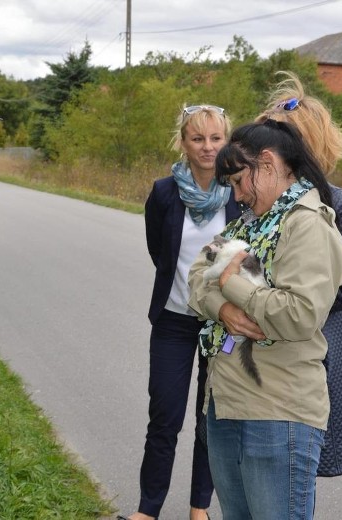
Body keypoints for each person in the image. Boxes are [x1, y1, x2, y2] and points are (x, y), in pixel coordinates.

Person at [188, 119, 342, 519]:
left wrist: (232, 285)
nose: (238, 194)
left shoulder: (307, 224)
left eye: (240, 180)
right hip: (228, 404)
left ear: (267, 163)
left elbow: (299, 314)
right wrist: (224, 309)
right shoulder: (249, 223)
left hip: (278, 414)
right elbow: (195, 276)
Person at [119, 105, 242, 520]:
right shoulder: (164, 192)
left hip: (222, 323)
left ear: (227, 142)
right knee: (164, 417)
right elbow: (162, 254)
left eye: (216, 138)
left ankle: (199, 507)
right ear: (183, 142)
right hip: (173, 321)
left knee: (211, 417)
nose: (208, 148)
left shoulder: (241, 192)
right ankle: (148, 509)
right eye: (198, 138)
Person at [256, 71, 342, 478]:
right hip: (255, 354)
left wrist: (281, 300)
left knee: (298, 463)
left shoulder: (341, 204)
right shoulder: (253, 201)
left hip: (317, 348)